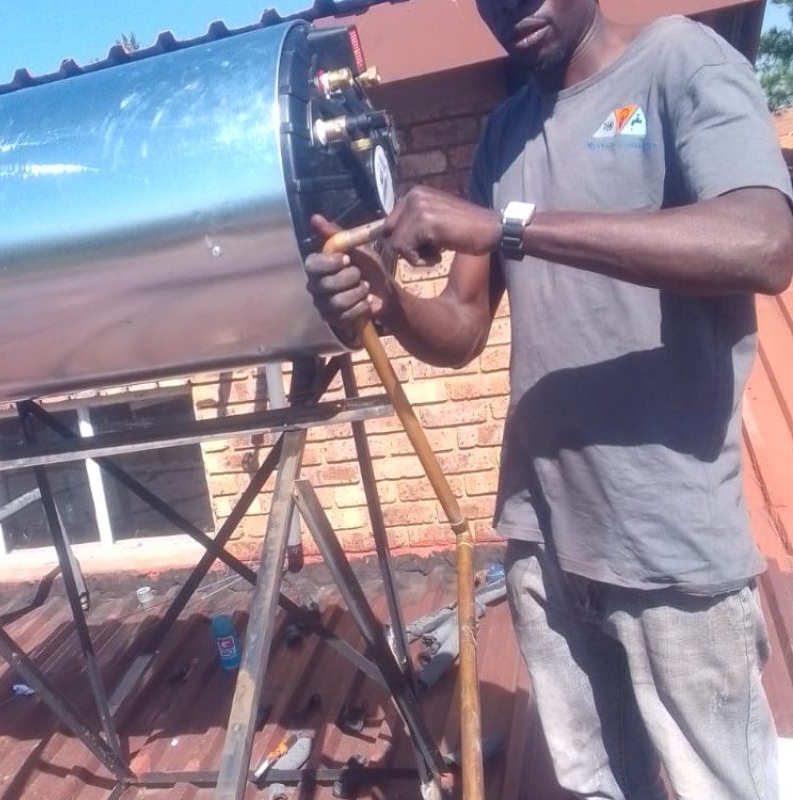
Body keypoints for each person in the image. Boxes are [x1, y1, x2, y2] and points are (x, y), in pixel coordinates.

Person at [304, 1, 793, 798]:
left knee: (724, 784)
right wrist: (387, 304)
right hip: (544, 534)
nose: (519, 5)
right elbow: (462, 327)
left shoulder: (680, 62)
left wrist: (511, 226)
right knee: (596, 784)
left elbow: (764, 243)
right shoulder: (505, 134)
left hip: (668, 535)